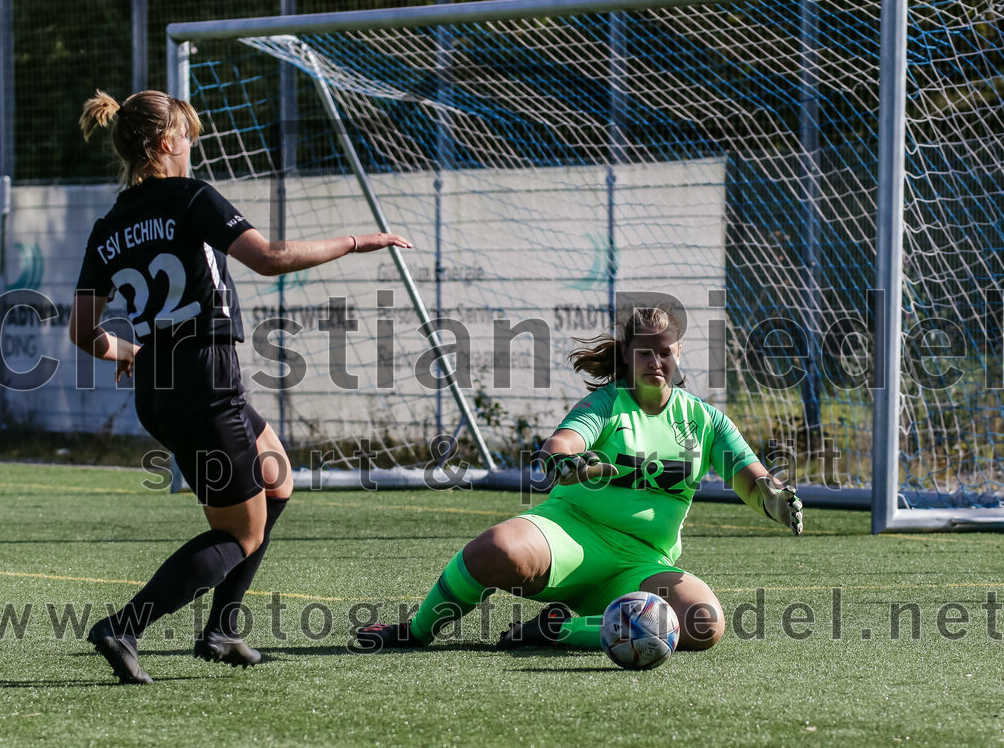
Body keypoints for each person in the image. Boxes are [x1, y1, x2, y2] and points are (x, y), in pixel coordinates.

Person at [71, 89, 412, 683]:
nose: (193, 144)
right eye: (188, 135)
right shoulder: (191, 196)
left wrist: (130, 350)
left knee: (276, 480)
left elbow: (81, 331)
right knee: (240, 533)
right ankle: (125, 625)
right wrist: (358, 241)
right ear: (166, 142)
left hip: (159, 386)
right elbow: (270, 257)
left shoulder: (109, 225)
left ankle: (221, 630)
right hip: (206, 382)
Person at [357, 305, 803, 652]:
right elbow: (560, 444)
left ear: (678, 352)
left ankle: (558, 629)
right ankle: (416, 631)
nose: (655, 361)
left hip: (642, 563)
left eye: (665, 352)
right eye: (644, 352)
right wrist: (567, 463)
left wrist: (775, 500)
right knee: (496, 549)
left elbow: (754, 482)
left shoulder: (707, 421)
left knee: (703, 623)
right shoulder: (607, 403)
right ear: (626, 354)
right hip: (570, 537)